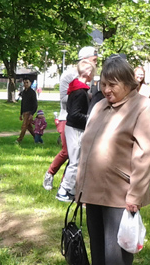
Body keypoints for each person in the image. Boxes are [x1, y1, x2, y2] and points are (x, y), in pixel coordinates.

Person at [74, 55, 150, 265]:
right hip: (94, 188)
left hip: (120, 191)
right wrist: (80, 188)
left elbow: (145, 154)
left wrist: (135, 194)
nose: (107, 90)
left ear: (128, 83)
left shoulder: (143, 107)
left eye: (113, 85)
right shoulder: (99, 106)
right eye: (103, 84)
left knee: (117, 249)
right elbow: (86, 146)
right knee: (99, 243)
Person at [44, 47, 98, 190]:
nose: (96, 63)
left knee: (77, 154)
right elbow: (63, 98)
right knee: (68, 152)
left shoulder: (90, 76)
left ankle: (66, 186)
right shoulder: (69, 75)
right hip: (67, 118)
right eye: (95, 60)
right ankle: (49, 174)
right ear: (85, 59)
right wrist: (82, 96)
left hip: (82, 119)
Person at [56, 60, 95, 202]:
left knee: (76, 160)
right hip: (75, 129)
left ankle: (71, 189)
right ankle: (63, 190)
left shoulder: (77, 88)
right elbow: (74, 114)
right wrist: (90, 119)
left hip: (73, 128)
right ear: (89, 73)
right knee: (75, 160)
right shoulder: (79, 91)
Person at [17, 78, 38, 144]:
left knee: (24, 126)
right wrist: (21, 113)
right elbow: (22, 103)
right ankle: (37, 138)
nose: (25, 84)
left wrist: (32, 113)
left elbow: (35, 104)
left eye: (27, 82)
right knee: (29, 127)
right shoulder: (23, 92)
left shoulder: (32, 92)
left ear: (30, 83)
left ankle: (19, 140)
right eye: (24, 82)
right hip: (24, 112)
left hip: (29, 112)